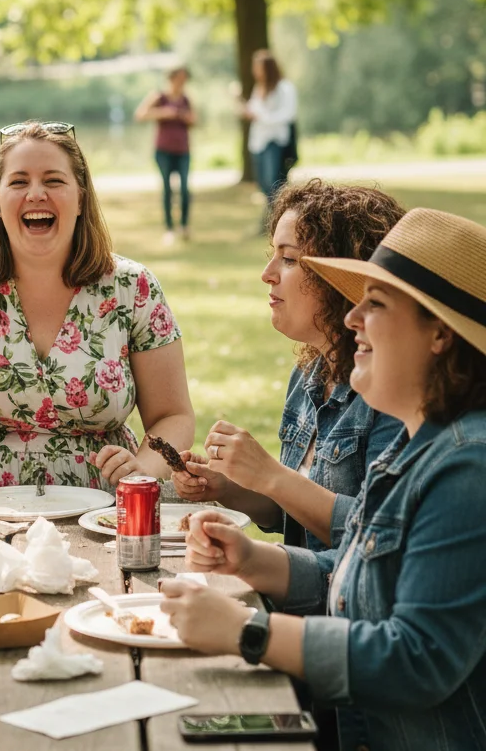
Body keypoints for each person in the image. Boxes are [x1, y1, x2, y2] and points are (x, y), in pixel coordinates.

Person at [162, 207, 486, 751]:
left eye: (376, 305)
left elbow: (417, 658)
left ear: (440, 334)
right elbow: (361, 566)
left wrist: (246, 631)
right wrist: (257, 559)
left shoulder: (468, 467)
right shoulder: (418, 443)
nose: (352, 318)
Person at [0, 119, 195, 501]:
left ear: (81, 198)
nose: (36, 194)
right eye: (18, 182)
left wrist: (142, 472)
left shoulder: (134, 288)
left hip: (106, 511)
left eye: (53, 181)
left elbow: (174, 416)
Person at [172, 180, 406, 551]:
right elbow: (296, 515)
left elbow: (378, 537)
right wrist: (228, 487)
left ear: (343, 278)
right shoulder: (309, 374)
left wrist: (270, 475)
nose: (267, 273)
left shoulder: (394, 393)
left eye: (290, 259)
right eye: (273, 254)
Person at [134, 66, 196, 243]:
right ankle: (169, 228)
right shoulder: (159, 97)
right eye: (180, 78)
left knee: (184, 188)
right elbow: (140, 115)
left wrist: (185, 117)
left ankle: (184, 225)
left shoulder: (186, 99)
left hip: (183, 150)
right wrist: (164, 113)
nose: (183, 82)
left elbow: (195, 119)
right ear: (172, 78)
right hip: (163, 151)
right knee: (167, 188)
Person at [241, 49, 297, 215]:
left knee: (274, 183)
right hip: (258, 142)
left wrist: (262, 117)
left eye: (258, 67)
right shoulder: (259, 88)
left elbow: (289, 113)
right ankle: (274, 217)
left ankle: (282, 216)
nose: (255, 71)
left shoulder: (284, 88)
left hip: (275, 140)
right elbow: (254, 110)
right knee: (264, 184)